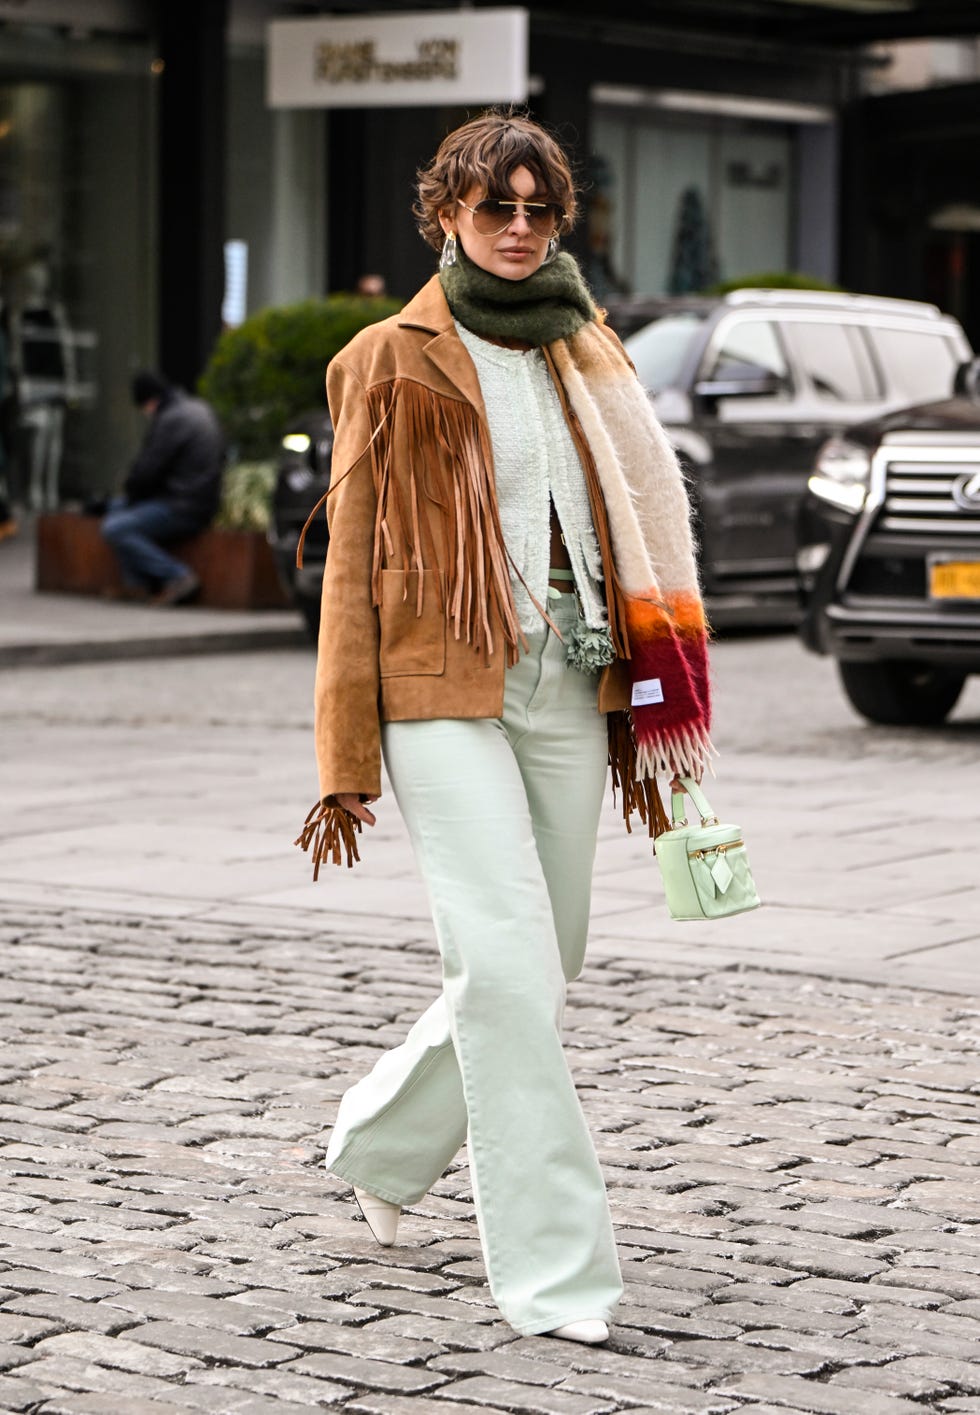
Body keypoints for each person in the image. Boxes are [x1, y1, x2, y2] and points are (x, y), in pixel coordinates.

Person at [296, 109, 712, 1344]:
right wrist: (344, 754)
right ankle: (555, 1270)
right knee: (506, 961)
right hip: (439, 688)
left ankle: (379, 1143)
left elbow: (631, 527)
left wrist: (648, 689)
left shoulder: (591, 348)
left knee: (552, 951)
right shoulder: (388, 354)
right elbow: (352, 561)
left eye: (539, 211)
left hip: (568, 678)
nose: (520, 231)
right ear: (445, 218)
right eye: (496, 210)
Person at [102, 371, 224, 605]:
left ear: (149, 401)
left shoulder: (172, 420)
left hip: (182, 505)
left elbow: (147, 472)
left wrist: (131, 495)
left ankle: (177, 576)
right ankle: (137, 585)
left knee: (115, 527)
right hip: (197, 499)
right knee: (115, 509)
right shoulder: (195, 408)